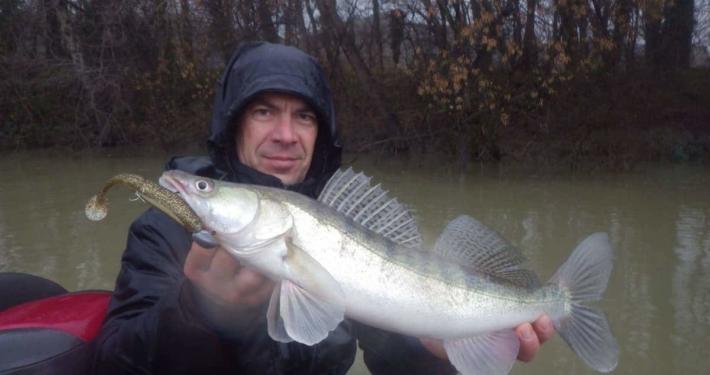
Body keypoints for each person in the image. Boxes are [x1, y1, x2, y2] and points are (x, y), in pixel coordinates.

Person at [92, 42, 554, 374]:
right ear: (233, 126)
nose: (286, 134)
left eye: (305, 116)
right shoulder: (164, 229)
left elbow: (395, 354)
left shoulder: (344, 223)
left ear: (321, 133)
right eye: (264, 111)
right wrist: (193, 312)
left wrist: (433, 353)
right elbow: (113, 362)